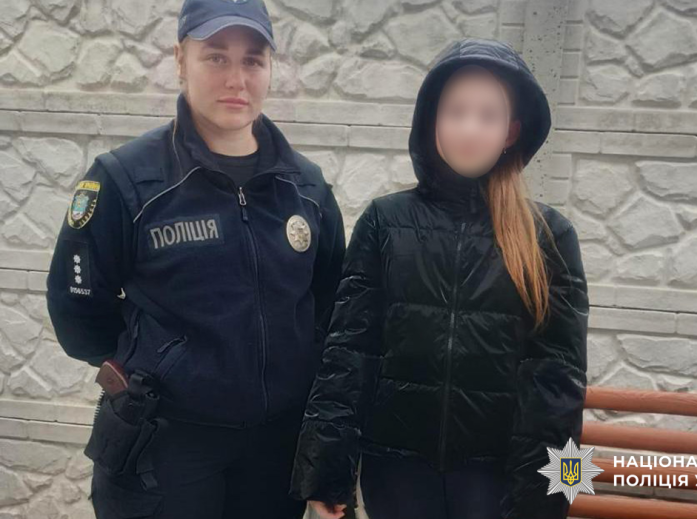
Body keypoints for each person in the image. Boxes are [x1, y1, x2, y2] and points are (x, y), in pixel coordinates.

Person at [45, 0, 345, 517]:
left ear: (270, 68)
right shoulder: (125, 179)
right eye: (216, 56)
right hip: (166, 447)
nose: (237, 78)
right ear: (180, 59)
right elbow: (77, 309)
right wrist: (158, 364)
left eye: (253, 60)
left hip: (275, 449)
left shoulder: (307, 188)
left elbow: (330, 306)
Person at [289, 38, 589, 519]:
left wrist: (554, 495)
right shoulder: (385, 222)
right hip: (397, 472)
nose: (470, 128)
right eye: (456, 111)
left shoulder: (549, 236)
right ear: (432, 120)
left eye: (487, 115)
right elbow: (348, 353)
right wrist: (325, 472)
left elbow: (561, 383)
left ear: (510, 131)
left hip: (496, 481)